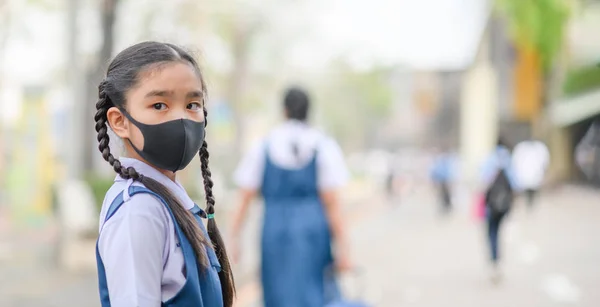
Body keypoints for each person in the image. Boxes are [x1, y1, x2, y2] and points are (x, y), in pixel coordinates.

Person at [94, 41, 235, 307]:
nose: (182, 118)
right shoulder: (138, 211)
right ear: (119, 121)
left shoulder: (168, 201)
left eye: (192, 104)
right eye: (159, 105)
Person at [230, 87, 351, 307]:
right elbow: (332, 203)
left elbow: (245, 196)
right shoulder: (322, 145)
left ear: (284, 110)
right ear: (309, 111)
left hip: (274, 229)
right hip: (313, 229)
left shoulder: (264, 145)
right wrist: (344, 250)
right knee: (313, 289)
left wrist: (235, 238)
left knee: (276, 289)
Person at [480, 137, 517, 282]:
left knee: (491, 232)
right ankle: (499, 261)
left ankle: (494, 261)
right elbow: (515, 183)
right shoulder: (508, 160)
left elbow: (483, 180)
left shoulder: (490, 159)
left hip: (491, 204)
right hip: (505, 204)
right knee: (500, 231)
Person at [512, 137, 550, 209]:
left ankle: (531, 204)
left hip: (534, 176)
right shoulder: (521, 148)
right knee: (528, 191)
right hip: (527, 176)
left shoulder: (539, 148)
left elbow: (544, 161)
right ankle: (529, 204)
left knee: (533, 191)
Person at [430, 146, 455, 214]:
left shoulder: (446, 160)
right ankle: (444, 207)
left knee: (446, 195)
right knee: (442, 195)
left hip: (445, 180)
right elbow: (436, 171)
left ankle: (447, 207)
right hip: (442, 180)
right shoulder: (440, 160)